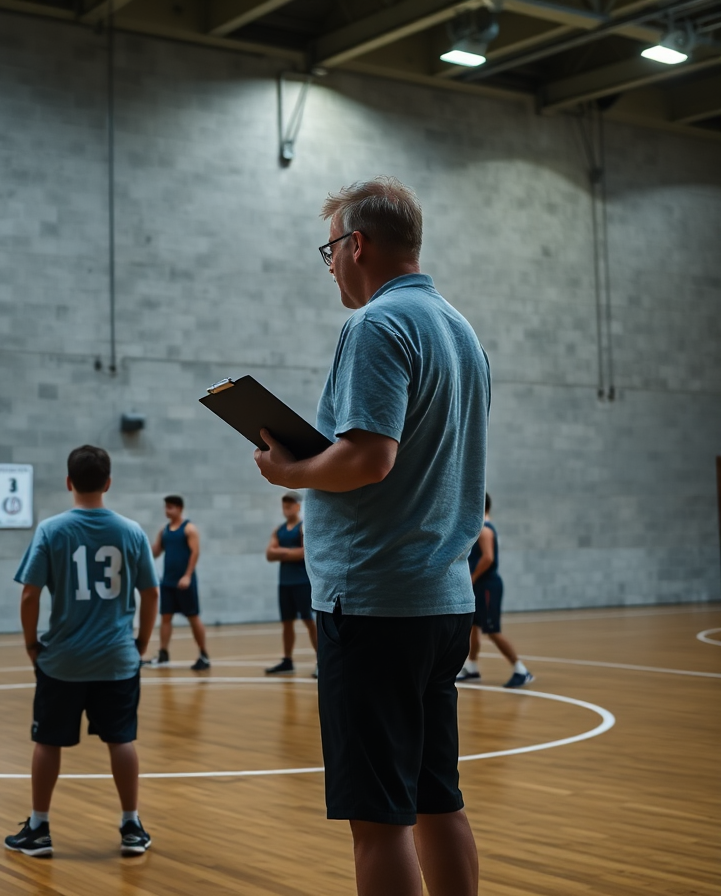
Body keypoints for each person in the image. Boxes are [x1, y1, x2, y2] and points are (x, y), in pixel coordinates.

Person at [253, 177, 489, 896]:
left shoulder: (375, 326)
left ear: (357, 244)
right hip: (441, 600)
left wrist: (290, 469)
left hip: (376, 602)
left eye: (329, 250)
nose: (329, 266)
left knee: (379, 822)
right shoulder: (461, 330)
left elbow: (369, 456)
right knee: (435, 799)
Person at [4, 445, 160, 859]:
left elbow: (29, 595)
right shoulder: (131, 531)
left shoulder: (51, 530)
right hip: (117, 658)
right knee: (121, 740)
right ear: (108, 483)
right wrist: (142, 642)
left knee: (48, 742)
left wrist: (31, 644)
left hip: (63, 660)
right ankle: (131, 825)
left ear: (68, 482)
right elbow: (151, 592)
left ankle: (39, 828)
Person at [457, 493, 533, 688]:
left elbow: (488, 558)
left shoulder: (484, 529)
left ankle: (521, 670)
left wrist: (472, 577)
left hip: (488, 586)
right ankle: (472, 668)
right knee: (474, 627)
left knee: (492, 630)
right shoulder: (479, 527)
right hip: (480, 585)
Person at [149, 495, 210, 670]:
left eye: (170, 507)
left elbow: (195, 552)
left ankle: (203, 655)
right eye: (166, 507)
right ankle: (163, 653)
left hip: (184, 582)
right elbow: (157, 550)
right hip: (168, 581)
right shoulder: (164, 530)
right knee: (165, 617)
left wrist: (187, 576)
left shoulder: (189, 529)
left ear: (179, 509)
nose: (167, 511)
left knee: (192, 616)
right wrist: (141, 553)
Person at [264, 492, 318, 677]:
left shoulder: (303, 527)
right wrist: (289, 552)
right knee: (287, 623)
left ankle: (321, 661)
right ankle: (287, 660)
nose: (286, 509)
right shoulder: (278, 530)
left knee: (309, 621)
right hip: (285, 583)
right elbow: (269, 554)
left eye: (290, 505)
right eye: (284, 505)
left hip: (302, 582)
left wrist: (281, 551)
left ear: (298, 506)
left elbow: (304, 553)